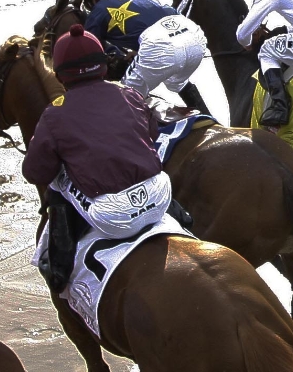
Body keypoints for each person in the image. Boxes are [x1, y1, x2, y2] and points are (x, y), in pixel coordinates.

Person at [22, 27, 177, 292]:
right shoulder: (129, 94)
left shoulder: (54, 115)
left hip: (114, 217)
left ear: (59, 75)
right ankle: (181, 217)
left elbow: (35, 173)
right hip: (161, 198)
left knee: (58, 180)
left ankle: (59, 266)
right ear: (104, 65)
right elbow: (150, 134)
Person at [75, 0, 211, 114]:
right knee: (176, 82)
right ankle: (209, 119)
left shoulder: (97, 11)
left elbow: (90, 51)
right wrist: (139, 51)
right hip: (193, 36)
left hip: (158, 44)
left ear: (92, 0)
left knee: (123, 100)